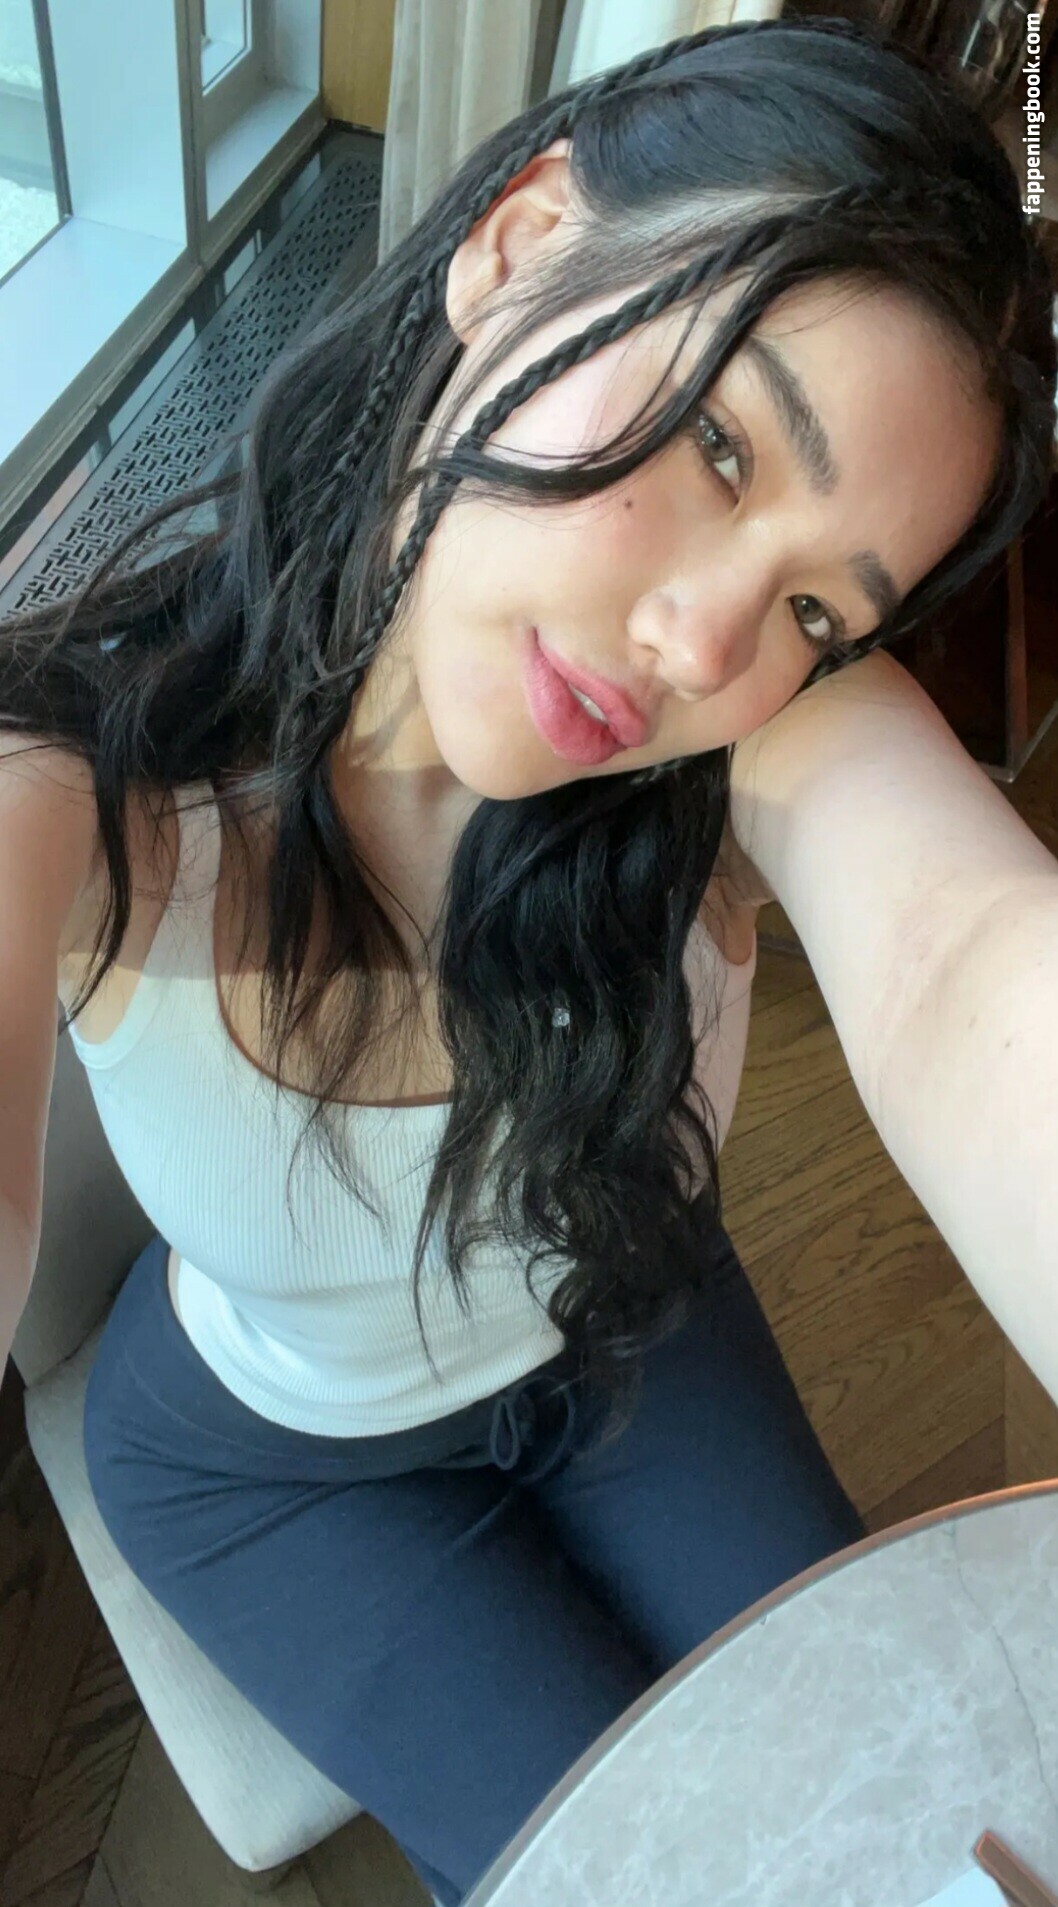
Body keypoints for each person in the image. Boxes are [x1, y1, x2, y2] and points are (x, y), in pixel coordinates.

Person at [1, 15, 1055, 1905]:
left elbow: (970, 956)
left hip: (627, 1303)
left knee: (894, 1801)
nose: (704, 645)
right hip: (270, 1456)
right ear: (518, 243)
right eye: (719, 442)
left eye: (818, 611)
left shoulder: (758, 737)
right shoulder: (83, 785)